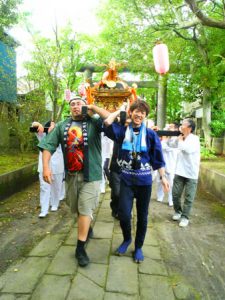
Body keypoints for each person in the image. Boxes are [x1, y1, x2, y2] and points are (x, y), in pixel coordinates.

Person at [38, 96, 109, 267]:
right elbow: (48, 146)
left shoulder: (93, 122)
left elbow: (109, 118)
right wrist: (46, 168)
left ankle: (80, 248)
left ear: (85, 107)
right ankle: (87, 226)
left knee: (84, 209)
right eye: (73, 104)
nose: (76, 106)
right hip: (71, 175)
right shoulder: (63, 125)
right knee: (75, 208)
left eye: (79, 104)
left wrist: (92, 107)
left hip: (90, 175)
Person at [104, 99, 169, 263]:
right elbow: (107, 122)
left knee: (142, 216)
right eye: (136, 111)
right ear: (131, 112)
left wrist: (163, 177)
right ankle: (127, 239)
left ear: (145, 115)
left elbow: (158, 159)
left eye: (142, 112)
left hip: (144, 183)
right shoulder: (122, 131)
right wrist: (119, 111)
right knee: (124, 214)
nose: (139, 114)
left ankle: (138, 246)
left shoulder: (151, 135)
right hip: (126, 180)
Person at [168, 119, 200, 227]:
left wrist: (180, 140)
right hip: (180, 171)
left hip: (191, 173)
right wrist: (169, 134)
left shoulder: (195, 139)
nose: (181, 126)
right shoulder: (180, 137)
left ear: (189, 128)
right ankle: (178, 211)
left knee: (189, 197)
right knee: (175, 194)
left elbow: (187, 149)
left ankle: (185, 217)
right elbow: (170, 144)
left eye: (183, 125)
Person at [32, 121, 65, 218]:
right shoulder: (42, 135)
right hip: (44, 167)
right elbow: (34, 124)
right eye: (51, 125)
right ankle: (44, 209)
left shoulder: (60, 135)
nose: (53, 126)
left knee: (56, 187)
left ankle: (54, 204)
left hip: (58, 166)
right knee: (44, 188)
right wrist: (38, 124)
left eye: (54, 125)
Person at [156, 122, 179, 206]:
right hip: (162, 163)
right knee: (159, 180)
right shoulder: (164, 139)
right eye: (168, 127)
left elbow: (167, 147)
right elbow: (161, 147)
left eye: (171, 127)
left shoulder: (176, 139)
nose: (169, 128)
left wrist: (165, 142)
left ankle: (171, 199)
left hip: (172, 164)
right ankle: (160, 196)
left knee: (171, 182)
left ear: (176, 129)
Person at [109, 141, 121, 219]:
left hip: (128, 169)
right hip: (115, 168)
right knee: (116, 193)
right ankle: (115, 208)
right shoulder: (117, 133)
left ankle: (124, 211)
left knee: (126, 193)